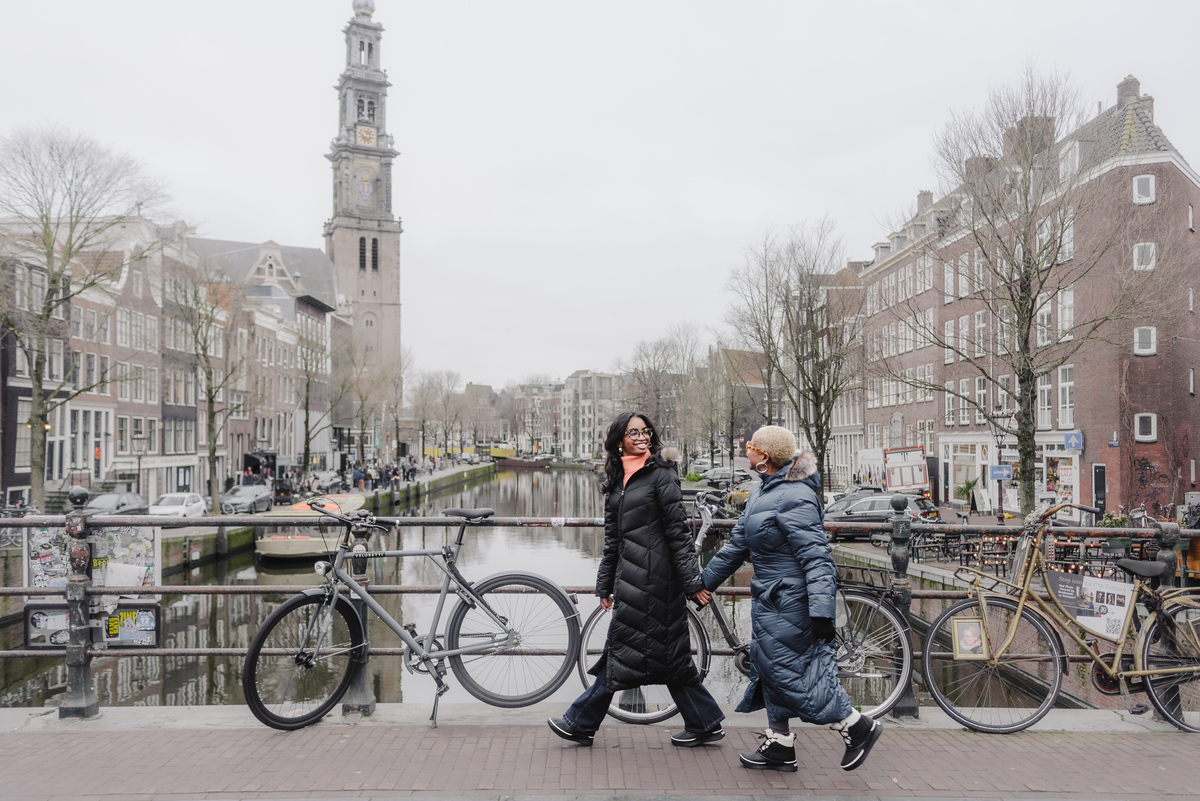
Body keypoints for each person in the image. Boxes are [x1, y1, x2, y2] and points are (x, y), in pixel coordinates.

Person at [700, 425, 883, 773]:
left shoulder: (794, 495)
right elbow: (737, 546)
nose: (746, 449)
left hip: (792, 602)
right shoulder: (761, 492)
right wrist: (701, 583)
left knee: (790, 676)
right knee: (769, 670)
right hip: (771, 599)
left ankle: (857, 726)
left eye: (750, 445)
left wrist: (821, 614)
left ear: (763, 457)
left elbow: (816, 558)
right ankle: (780, 745)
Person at [549, 411, 725, 748]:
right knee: (666, 655)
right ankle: (704, 721)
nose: (642, 437)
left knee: (626, 652)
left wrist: (692, 582)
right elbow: (613, 539)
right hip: (631, 579)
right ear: (619, 441)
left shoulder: (662, 473)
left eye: (646, 431)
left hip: (657, 580)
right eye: (634, 433)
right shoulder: (617, 480)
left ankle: (581, 722)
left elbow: (677, 531)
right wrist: (604, 584)